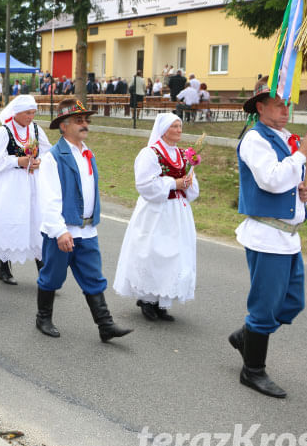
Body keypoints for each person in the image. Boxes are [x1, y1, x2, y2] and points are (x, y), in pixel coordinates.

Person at [228, 76, 307, 399]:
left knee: (293, 302)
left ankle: (247, 336)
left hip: (289, 236)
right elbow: (270, 180)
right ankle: (252, 370)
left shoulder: (288, 139)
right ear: (261, 107)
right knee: (265, 307)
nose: (285, 109)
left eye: (286, 103)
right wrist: (300, 155)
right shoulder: (255, 139)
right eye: (278, 104)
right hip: (267, 233)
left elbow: (300, 184)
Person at [36, 99, 133, 342]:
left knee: (93, 277)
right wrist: (59, 231)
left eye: (86, 120)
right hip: (62, 230)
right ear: (63, 126)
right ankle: (43, 318)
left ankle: (105, 324)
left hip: (87, 230)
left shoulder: (87, 153)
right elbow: (48, 198)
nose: (84, 124)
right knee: (52, 276)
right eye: (78, 120)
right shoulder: (53, 158)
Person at [113, 113, 199, 322]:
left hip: (177, 212)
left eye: (180, 126)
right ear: (163, 130)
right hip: (156, 212)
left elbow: (192, 186)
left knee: (174, 254)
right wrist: (173, 183)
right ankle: (146, 299)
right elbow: (145, 185)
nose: (179, 130)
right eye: (174, 126)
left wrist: (188, 183)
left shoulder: (182, 154)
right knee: (152, 252)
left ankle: (162, 300)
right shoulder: (150, 154)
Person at [0, 94, 52, 285]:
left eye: (33, 113)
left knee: (36, 221)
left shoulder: (36, 130)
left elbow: (48, 152)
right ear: (17, 112)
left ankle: (44, 271)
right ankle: (4, 268)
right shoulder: (3, 132)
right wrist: (17, 161)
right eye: (28, 113)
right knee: (10, 222)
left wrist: (41, 162)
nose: (31, 117)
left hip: (32, 185)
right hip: (9, 187)